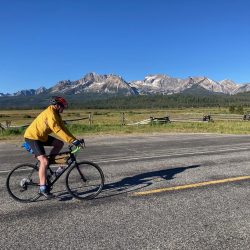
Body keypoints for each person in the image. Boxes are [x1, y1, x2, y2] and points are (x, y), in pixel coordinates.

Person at [24, 96, 83, 198]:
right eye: (63, 106)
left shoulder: (56, 114)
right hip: (32, 137)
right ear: (57, 105)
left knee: (59, 144)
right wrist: (72, 141)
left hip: (41, 137)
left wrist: (75, 139)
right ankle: (42, 188)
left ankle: (48, 164)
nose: (64, 109)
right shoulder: (51, 114)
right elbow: (58, 130)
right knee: (44, 161)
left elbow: (64, 128)